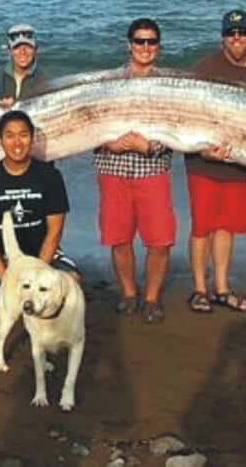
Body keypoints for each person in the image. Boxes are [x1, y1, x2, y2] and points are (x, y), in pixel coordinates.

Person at [184, 10, 246, 313]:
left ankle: (221, 288)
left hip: (240, 163)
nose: (237, 38)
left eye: (243, 33)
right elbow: (185, 114)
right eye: (231, 34)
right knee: (202, 227)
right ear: (223, 37)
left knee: (226, 227)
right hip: (204, 163)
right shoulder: (205, 67)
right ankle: (199, 289)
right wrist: (202, 149)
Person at [0, 110, 78, 332]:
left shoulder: (50, 176)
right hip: (2, 255)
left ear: (32, 139)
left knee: (72, 283)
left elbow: (55, 232)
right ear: (0, 140)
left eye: (23, 135)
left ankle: (38, 310)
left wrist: (39, 273)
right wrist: (8, 281)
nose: (17, 142)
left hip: (41, 253)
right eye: (9, 135)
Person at [93, 18, 175, 324]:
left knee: (160, 239)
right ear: (129, 45)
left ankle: (151, 297)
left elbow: (179, 126)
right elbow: (88, 121)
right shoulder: (107, 82)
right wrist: (109, 143)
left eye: (151, 42)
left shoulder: (170, 84)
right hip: (112, 167)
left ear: (158, 46)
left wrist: (150, 147)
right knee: (119, 237)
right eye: (139, 41)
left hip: (152, 168)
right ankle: (128, 292)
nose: (145, 47)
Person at [0, 24, 51, 108]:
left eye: (28, 47)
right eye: (17, 47)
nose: (22, 52)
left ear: (35, 49)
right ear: (9, 51)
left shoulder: (46, 79)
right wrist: (0, 106)